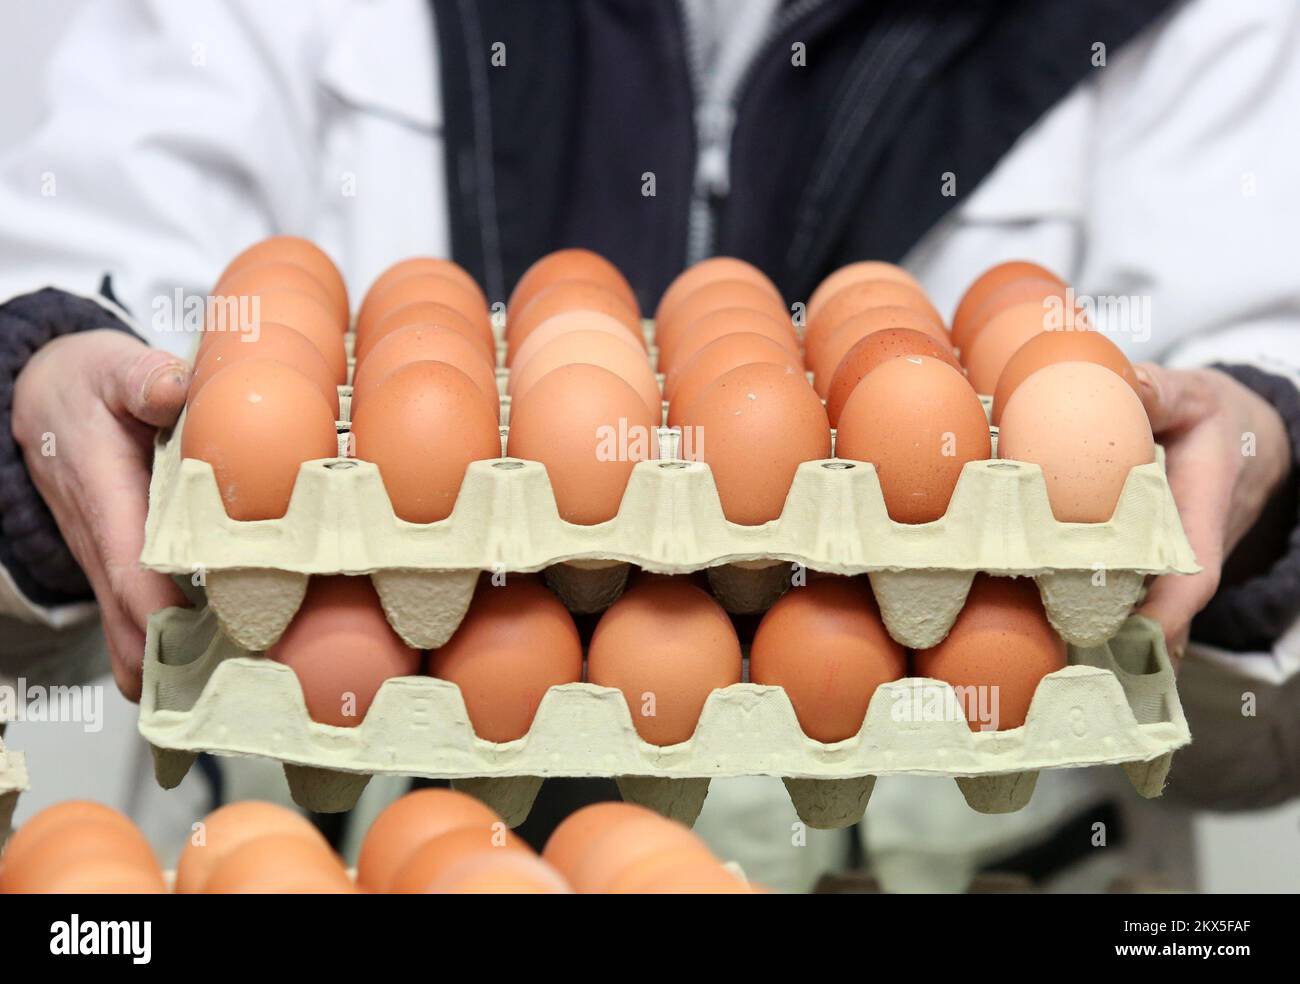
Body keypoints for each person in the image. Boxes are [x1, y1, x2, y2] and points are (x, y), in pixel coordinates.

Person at [2, 0, 1298, 891]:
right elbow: (99, 281)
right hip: (346, 851)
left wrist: (1263, 488)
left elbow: (1256, 719)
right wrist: (45, 408)